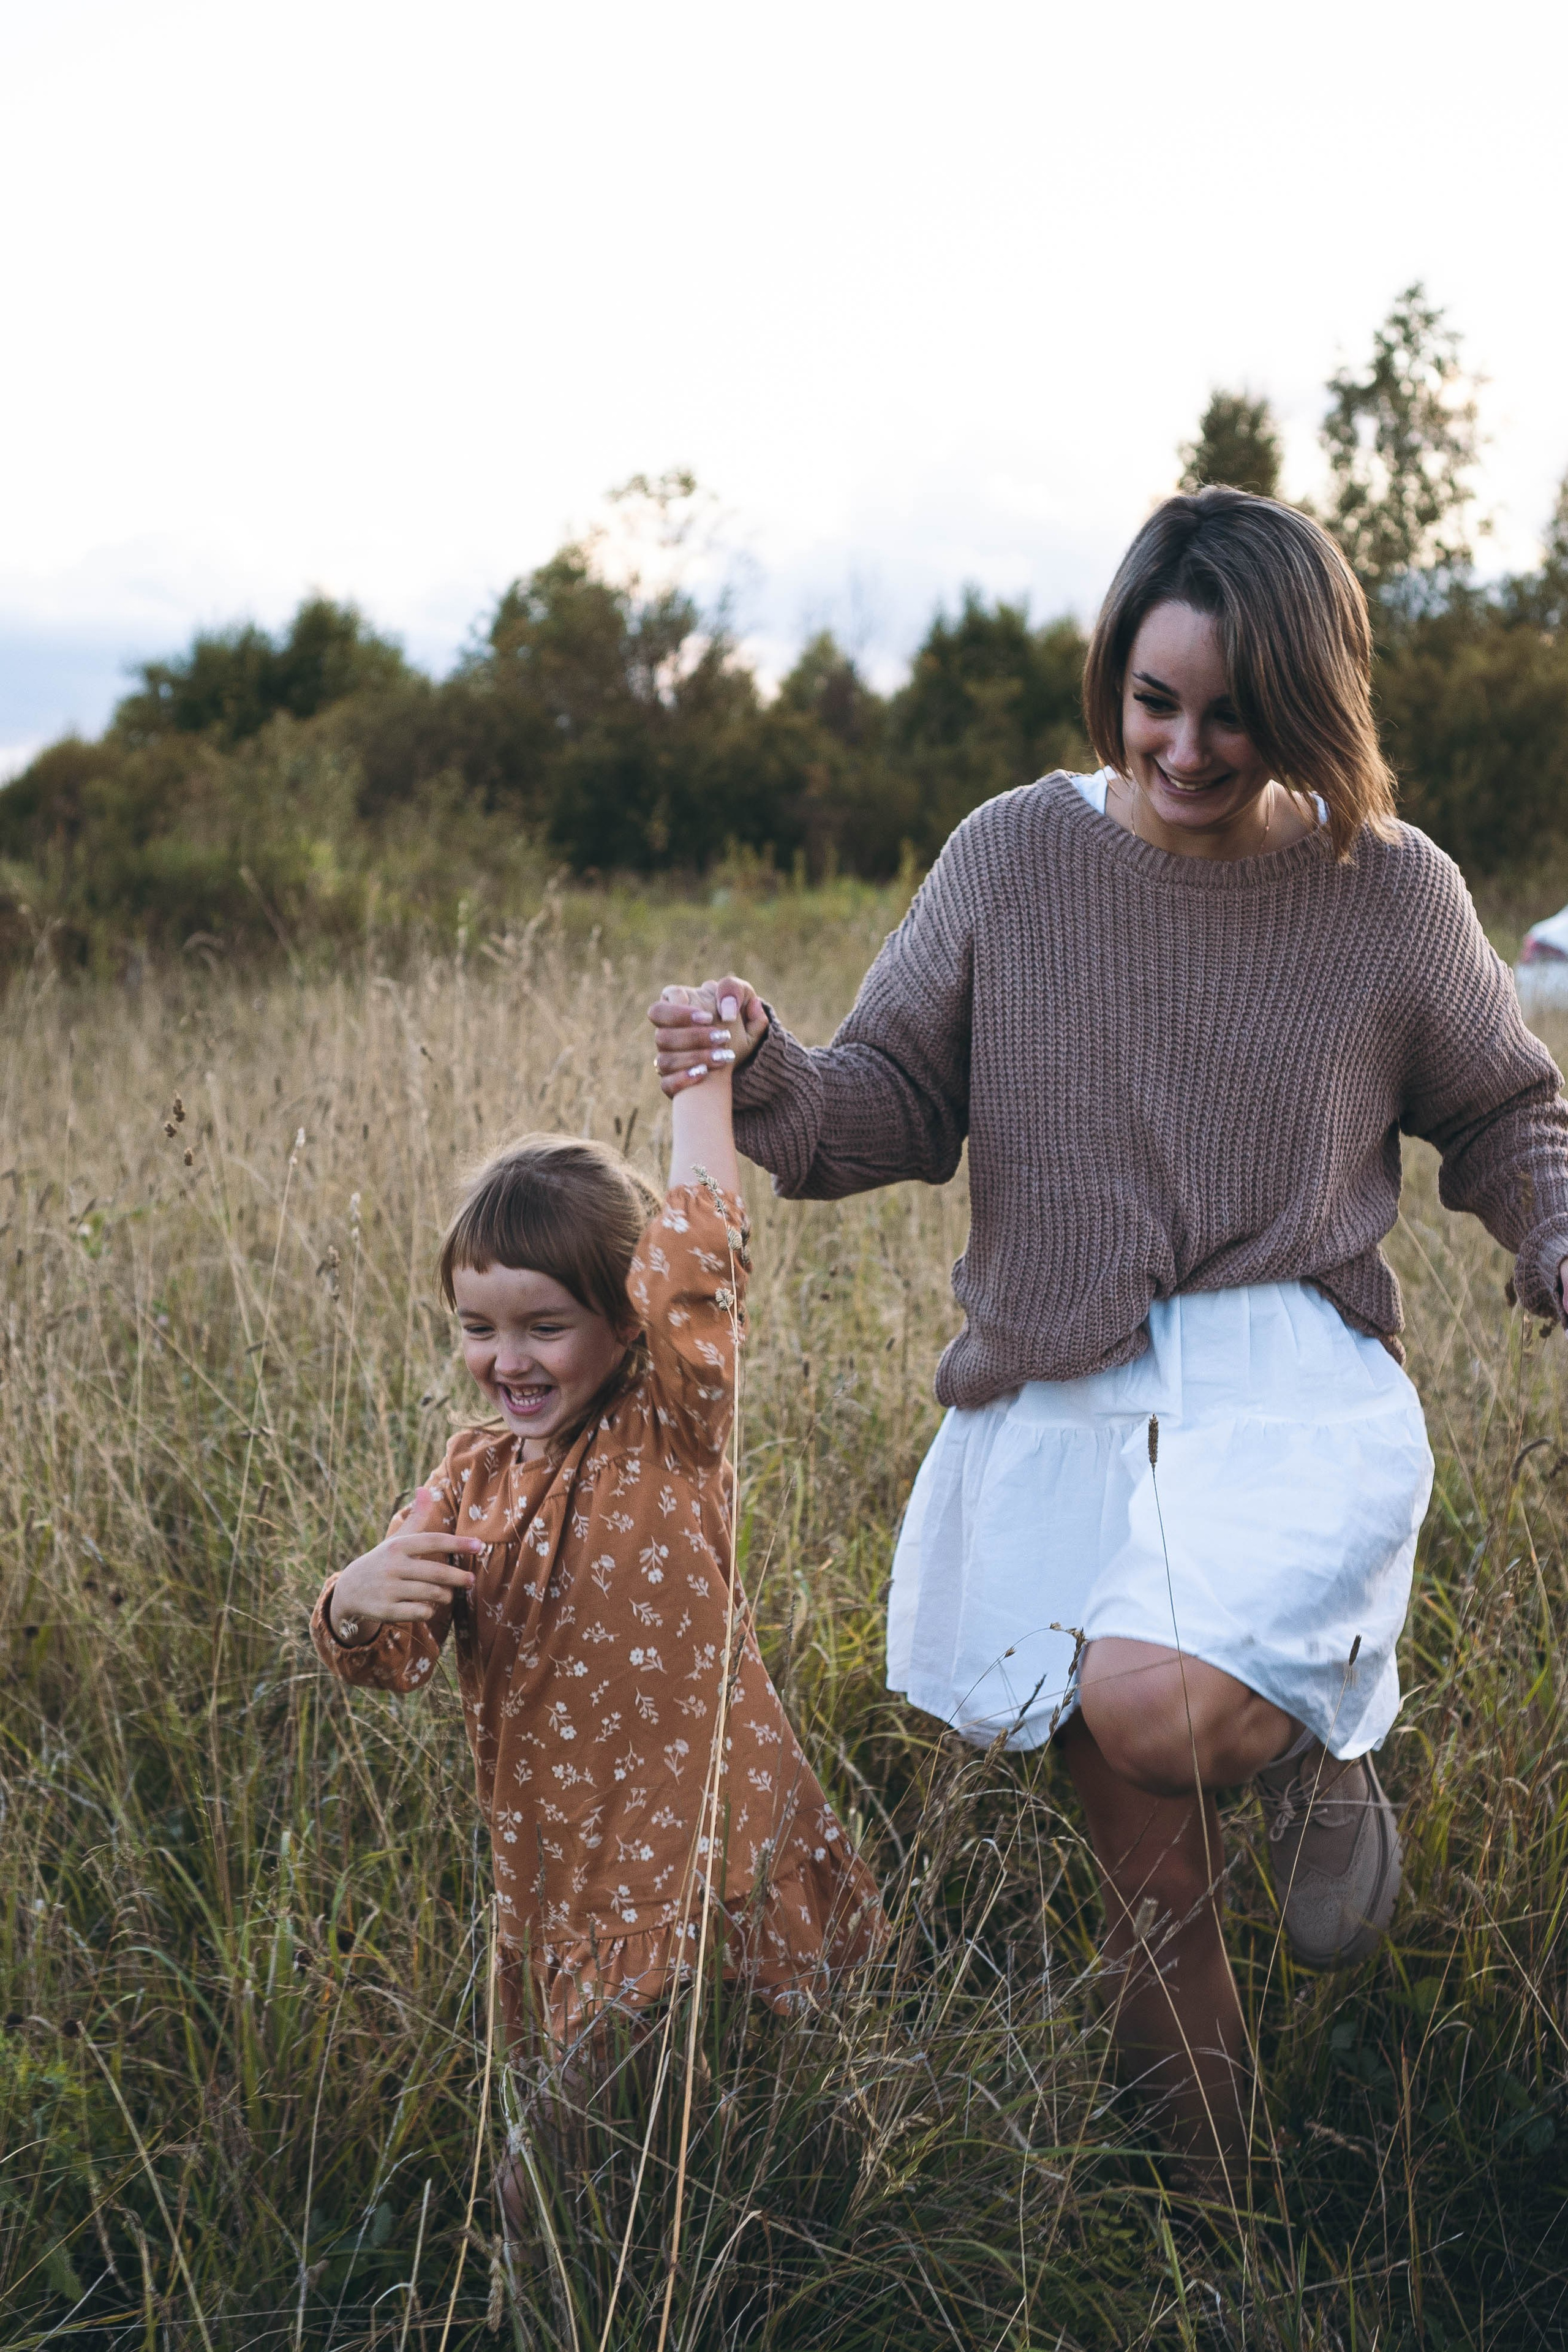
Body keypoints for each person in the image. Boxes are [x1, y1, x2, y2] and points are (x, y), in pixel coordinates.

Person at [648, 487, 1568, 2193]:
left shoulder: (1390, 888)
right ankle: (1226, 2232)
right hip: (1059, 1406)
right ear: (1111, 679)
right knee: (1152, 1895)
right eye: (1158, 701)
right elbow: (891, 1104)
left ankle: (1306, 1737)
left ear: (1310, 701)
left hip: (1289, 1394)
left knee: (1161, 1705)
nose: (1189, 746)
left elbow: (1509, 1113)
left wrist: (1558, 1230)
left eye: (1237, 712)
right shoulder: (1014, 854)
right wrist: (767, 1064)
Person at [309, 993, 883, 2147]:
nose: (506, 1361)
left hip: (706, 1851)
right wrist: (350, 1599)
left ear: (626, 1321)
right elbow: (397, 1656)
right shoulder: (465, 1481)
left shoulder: (673, 1431)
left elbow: (696, 1257)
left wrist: (704, 1085)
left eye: (543, 1326)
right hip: (566, 1880)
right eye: (479, 1328)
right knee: (629, 2158)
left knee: (704, 2139)